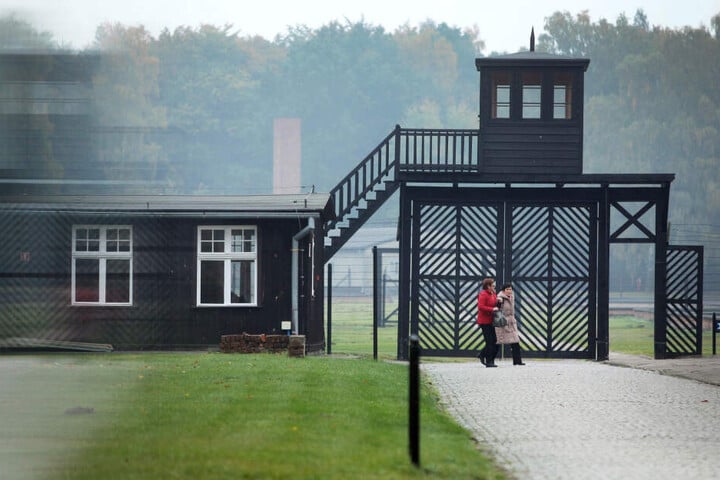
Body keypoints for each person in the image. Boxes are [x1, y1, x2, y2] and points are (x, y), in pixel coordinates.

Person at [496, 282, 525, 366]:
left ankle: (517, 361)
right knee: (497, 342)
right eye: (507, 289)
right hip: (503, 323)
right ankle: (484, 355)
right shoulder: (500, 298)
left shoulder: (511, 297)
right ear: (503, 290)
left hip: (511, 322)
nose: (509, 291)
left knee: (515, 341)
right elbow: (497, 310)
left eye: (510, 289)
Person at [476, 277, 499, 368]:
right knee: (489, 341)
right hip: (484, 321)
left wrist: (499, 303)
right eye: (493, 285)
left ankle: (482, 354)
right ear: (488, 286)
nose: (494, 287)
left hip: (492, 321)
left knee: (495, 341)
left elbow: (495, 305)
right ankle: (489, 361)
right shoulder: (483, 294)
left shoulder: (493, 294)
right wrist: (492, 309)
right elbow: (480, 307)